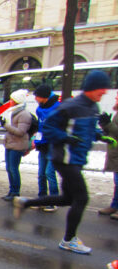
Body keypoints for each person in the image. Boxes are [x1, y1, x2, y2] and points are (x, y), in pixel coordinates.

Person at [14, 70, 118, 254]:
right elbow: (49, 128)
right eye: (101, 90)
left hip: (77, 158)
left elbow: (86, 130)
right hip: (65, 158)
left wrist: (102, 136)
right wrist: (66, 138)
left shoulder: (93, 108)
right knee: (82, 198)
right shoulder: (70, 106)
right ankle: (68, 240)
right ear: (91, 88)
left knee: (67, 199)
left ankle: (25, 203)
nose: (104, 93)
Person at [0, 89, 31, 201]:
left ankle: (15, 192)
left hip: (17, 145)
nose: (10, 101)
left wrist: (6, 125)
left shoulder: (24, 114)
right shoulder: (14, 112)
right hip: (11, 144)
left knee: (13, 169)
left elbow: (20, 132)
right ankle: (12, 190)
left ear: (17, 101)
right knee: (9, 168)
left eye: (12, 99)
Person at [33, 84, 61, 211]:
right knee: (41, 174)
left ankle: (53, 200)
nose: (35, 99)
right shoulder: (40, 109)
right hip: (43, 144)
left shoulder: (57, 109)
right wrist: (36, 140)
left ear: (43, 97)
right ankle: (42, 198)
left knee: (49, 172)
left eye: (37, 96)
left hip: (53, 145)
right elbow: (40, 127)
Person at [98, 91, 118, 219]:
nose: (115, 97)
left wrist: (109, 125)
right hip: (114, 152)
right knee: (117, 182)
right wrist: (105, 126)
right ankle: (114, 206)